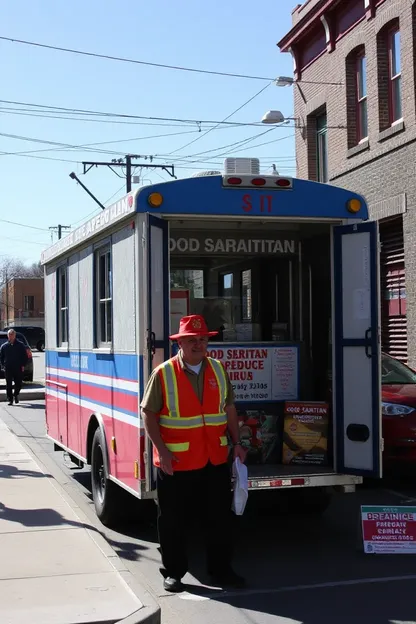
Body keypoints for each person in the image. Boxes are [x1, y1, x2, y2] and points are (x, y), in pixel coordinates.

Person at [140, 314, 247, 593]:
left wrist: (237, 443)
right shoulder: (162, 373)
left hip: (214, 459)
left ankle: (221, 571)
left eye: (202, 339)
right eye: (192, 340)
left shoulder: (219, 369)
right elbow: (148, 414)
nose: (198, 344)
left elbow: (229, 409)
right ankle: (173, 573)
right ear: (180, 343)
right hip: (177, 461)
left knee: (219, 520)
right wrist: (161, 452)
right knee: (174, 521)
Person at [0, 329, 28, 406]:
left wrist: (23, 365)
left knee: (18, 383)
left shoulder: (20, 345)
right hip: (8, 368)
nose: (11, 336)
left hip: (18, 367)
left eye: (12, 334)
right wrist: (3, 365)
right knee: (8, 384)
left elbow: (25, 356)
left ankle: (16, 394)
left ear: (15, 335)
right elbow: (1, 357)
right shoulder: (4, 346)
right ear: (7, 336)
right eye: (9, 335)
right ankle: (10, 399)